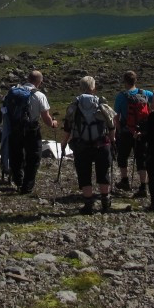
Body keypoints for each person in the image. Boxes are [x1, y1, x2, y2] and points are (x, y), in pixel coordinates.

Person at [62, 76, 117, 215]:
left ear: (80, 88)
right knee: (103, 172)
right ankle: (105, 202)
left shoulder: (74, 105)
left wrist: (64, 142)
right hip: (102, 144)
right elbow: (111, 125)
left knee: (84, 173)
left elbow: (68, 126)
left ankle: (88, 204)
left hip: (81, 145)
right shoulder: (102, 104)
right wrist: (112, 140)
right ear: (94, 88)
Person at [2, 70, 58, 194]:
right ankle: (27, 186)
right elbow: (46, 118)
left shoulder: (14, 92)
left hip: (15, 128)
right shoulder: (39, 95)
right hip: (32, 130)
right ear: (40, 81)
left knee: (16, 155)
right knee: (33, 157)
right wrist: (53, 123)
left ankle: (18, 181)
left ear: (28, 79)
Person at [113, 70, 153, 198]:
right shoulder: (146, 93)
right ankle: (143, 186)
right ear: (135, 80)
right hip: (142, 132)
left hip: (126, 131)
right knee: (141, 158)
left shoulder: (121, 96)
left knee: (122, 156)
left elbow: (116, 116)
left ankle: (125, 180)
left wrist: (118, 130)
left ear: (125, 81)